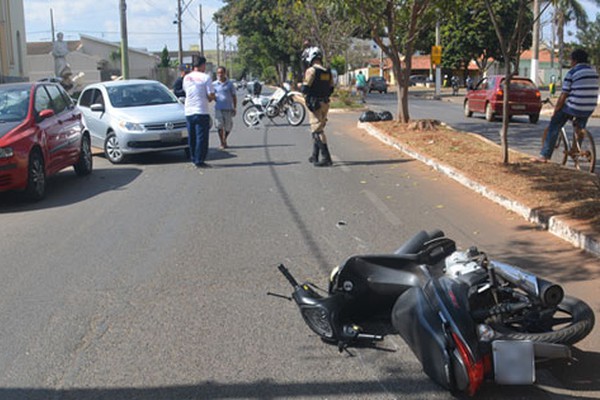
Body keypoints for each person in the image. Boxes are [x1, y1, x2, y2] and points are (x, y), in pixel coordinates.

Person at [533, 49, 599, 163]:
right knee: (580, 127)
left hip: (574, 107)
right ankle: (575, 149)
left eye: (571, 60)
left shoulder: (572, 72)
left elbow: (564, 95)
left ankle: (544, 156)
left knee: (555, 125)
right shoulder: (594, 72)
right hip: (589, 106)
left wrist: (556, 109)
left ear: (575, 60)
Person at [302, 46, 334, 167]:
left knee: (317, 130)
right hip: (325, 103)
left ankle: (327, 157)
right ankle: (314, 155)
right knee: (318, 127)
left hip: (315, 104)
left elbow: (305, 88)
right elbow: (331, 88)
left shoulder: (311, 71)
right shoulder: (327, 71)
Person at [183, 56, 216, 168]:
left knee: (192, 137)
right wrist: (211, 97)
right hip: (201, 110)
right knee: (201, 137)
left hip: (188, 111)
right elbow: (211, 95)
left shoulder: (186, 77)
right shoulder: (205, 77)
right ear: (203, 65)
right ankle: (199, 160)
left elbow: (186, 91)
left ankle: (193, 158)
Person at [214, 66, 237, 149]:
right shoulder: (214, 84)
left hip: (228, 108)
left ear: (225, 73)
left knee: (228, 126)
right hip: (218, 108)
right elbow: (212, 95)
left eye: (221, 73)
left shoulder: (230, 84)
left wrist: (235, 107)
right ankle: (222, 142)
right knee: (219, 125)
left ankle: (225, 138)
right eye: (218, 73)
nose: (220, 74)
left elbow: (234, 96)